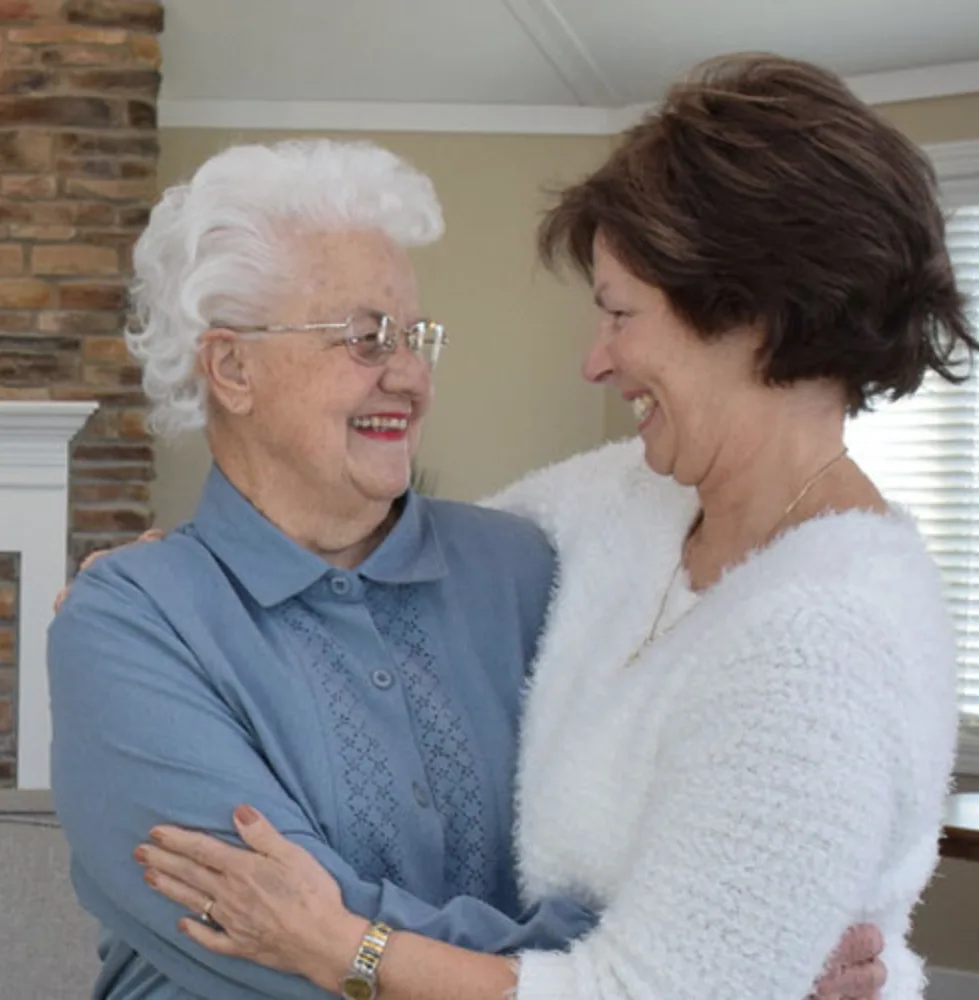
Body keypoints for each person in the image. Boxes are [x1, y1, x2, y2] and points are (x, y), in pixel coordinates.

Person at [127, 55, 970, 1000]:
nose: (594, 362)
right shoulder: (620, 505)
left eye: (618, 314)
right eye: (366, 339)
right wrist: (176, 578)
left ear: (748, 317)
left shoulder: (826, 636)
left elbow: (653, 992)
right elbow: (393, 554)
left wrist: (344, 946)